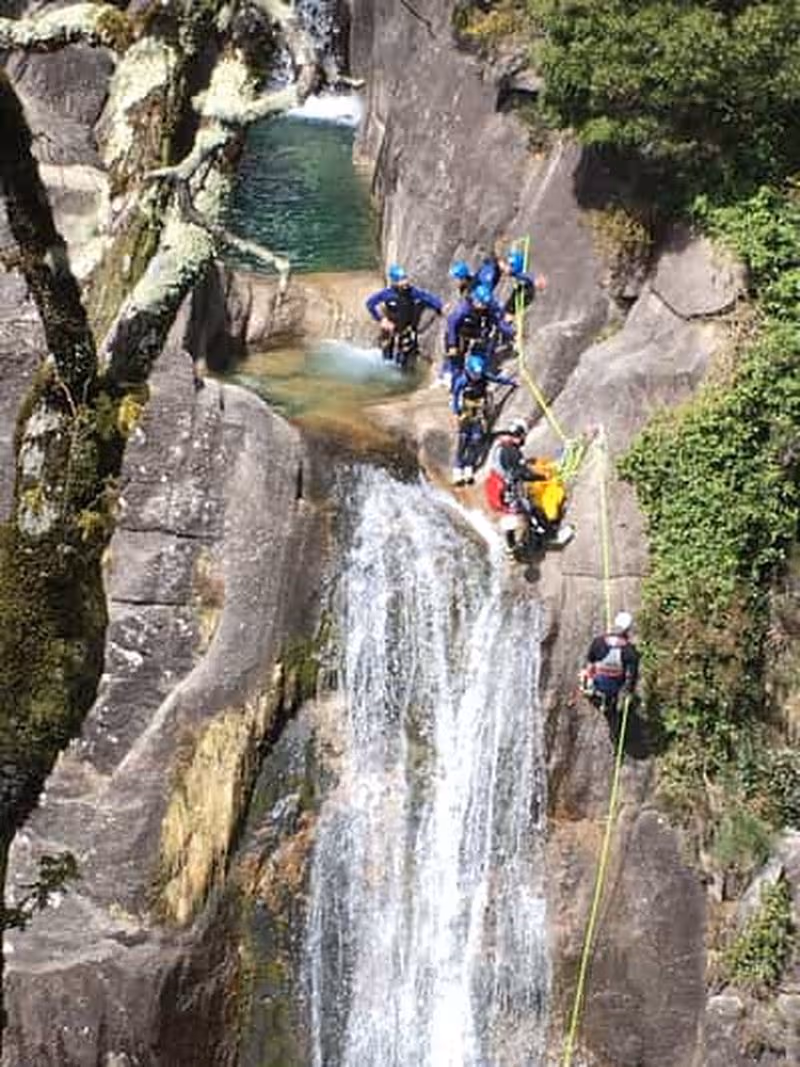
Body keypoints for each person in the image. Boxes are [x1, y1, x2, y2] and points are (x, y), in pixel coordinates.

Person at [484, 417, 549, 557]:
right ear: (520, 436)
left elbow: (507, 464)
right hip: (508, 491)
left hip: (497, 490)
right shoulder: (512, 451)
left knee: (510, 517)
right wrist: (542, 477)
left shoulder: (500, 446)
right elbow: (521, 473)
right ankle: (543, 537)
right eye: (524, 436)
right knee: (530, 511)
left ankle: (510, 546)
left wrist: (524, 462)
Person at [450, 353, 517, 485]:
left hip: (479, 411)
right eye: (474, 375)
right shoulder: (462, 380)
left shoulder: (484, 377)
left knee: (476, 439)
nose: (476, 378)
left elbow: (498, 379)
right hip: (466, 411)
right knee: (463, 439)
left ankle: (469, 465)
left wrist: (511, 383)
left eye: (478, 375)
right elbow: (456, 394)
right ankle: (458, 467)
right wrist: (456, 408)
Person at [366, 265, 443, 369]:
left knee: (404, 362)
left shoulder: (412, 292)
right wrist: (381, 319)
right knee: (387, 360)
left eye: (405, 278)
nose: (405, 282)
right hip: (391, 331)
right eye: (401, 280)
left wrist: (440, 306)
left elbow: (428, 298)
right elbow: (370, 303)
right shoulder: (387, 294)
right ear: (394, 282)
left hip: (406, 331)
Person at [444, 282, 514, 382]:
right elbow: (452, 324)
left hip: (476, 332)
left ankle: (478, 371)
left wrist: (510, 332)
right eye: (481, 304)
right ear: (475, 299)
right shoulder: (463, 309)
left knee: (482, 350)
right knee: (457, 358)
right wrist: (452, 345)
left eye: (485, 304)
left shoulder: (488, 308)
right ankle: (452, 376)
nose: (483, 306)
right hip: (459, 334)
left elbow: (497, 321)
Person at [582, 612, 640, 714]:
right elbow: (632, 675)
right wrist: (629, 692)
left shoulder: (598, 642)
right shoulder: (630, 650)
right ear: (628, 629)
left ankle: (588, 687)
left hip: (598, 681)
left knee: (587, 670)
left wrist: (589, 675)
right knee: (616, 679)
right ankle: (608, 703)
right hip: (615, 686)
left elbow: (590, 661)